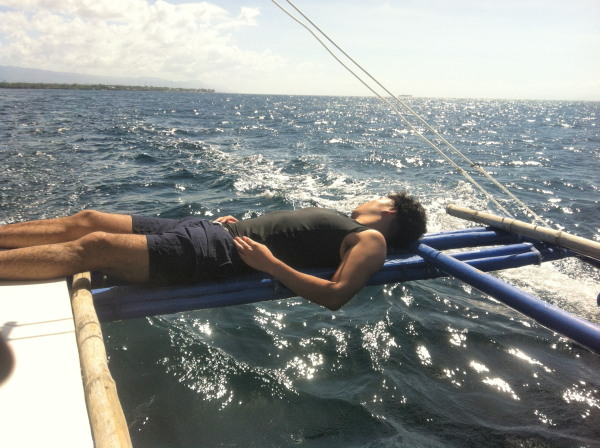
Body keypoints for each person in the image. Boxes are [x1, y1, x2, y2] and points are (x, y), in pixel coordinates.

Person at [0, 192, 426, 310]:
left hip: (214, 253)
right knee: (89, 219)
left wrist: (271, 265)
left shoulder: (372, 240)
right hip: (214, 231)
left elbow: (336, 295)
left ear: (389, 210)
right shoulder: (352, 228)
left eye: (378, 198)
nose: (368, 199)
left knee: (95, 246)